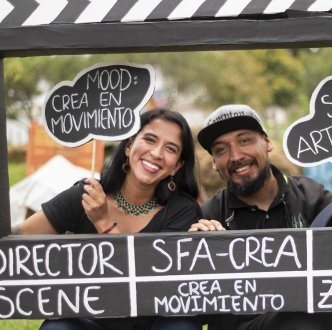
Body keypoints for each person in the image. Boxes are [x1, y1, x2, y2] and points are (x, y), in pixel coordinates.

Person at [189, 104, 332, 330]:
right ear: (214, 163)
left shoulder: (310, 193)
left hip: (321, 310)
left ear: (267, 142)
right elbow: (197, 308)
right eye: (221, 149)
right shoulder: (209, 215)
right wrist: (198, 256)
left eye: (244, 140)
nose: (235, 155)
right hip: (255, 322)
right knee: (301, 323)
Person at [12, 108, 203, 330]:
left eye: (170, 148)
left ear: (177, 165)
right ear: (129, 146)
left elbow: (149, 280)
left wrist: (104, 223)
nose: (157, 153)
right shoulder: (87, 195)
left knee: (182, 325)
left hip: (152, 324)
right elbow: (18, 237)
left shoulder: (182, 210)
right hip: (92, 323)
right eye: (150, 140)